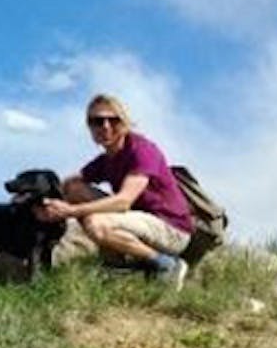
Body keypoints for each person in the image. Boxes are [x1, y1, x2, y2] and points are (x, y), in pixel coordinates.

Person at [38, 94, 193, 290]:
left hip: (171, 229)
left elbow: (123, 202)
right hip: (141, 221)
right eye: (97, 121)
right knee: (74, 190)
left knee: (96, 222)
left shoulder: (142, 150)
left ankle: (166, 264)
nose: (105, 126)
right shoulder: (106, 160)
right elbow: (69, 184)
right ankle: (120, 267)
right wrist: (41, 200)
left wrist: (69, 211)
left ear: (125, 122)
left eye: (113, 120)